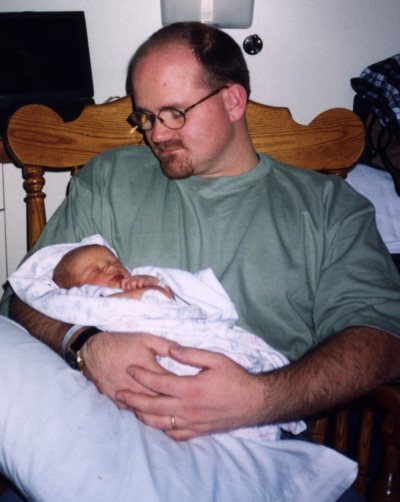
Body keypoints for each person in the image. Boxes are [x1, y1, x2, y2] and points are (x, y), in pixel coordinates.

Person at [0, 20, 399, 501]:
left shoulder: (328, 207)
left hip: (259, 449)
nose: (156, 135)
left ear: (233, 101)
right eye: (145, 117)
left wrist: (258, 399)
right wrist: (84, 343)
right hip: (107, 432)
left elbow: (381, 338)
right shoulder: (109, 179)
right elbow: (24, 299)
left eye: (174, 113)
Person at [9, 233, 307, 442]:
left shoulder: (141, 279)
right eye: (96, 269)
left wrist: (151, 288)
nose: (111, 268)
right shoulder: (85, 298)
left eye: (113, 261)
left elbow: (172, 301)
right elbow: (35, 302)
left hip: (190, 342)